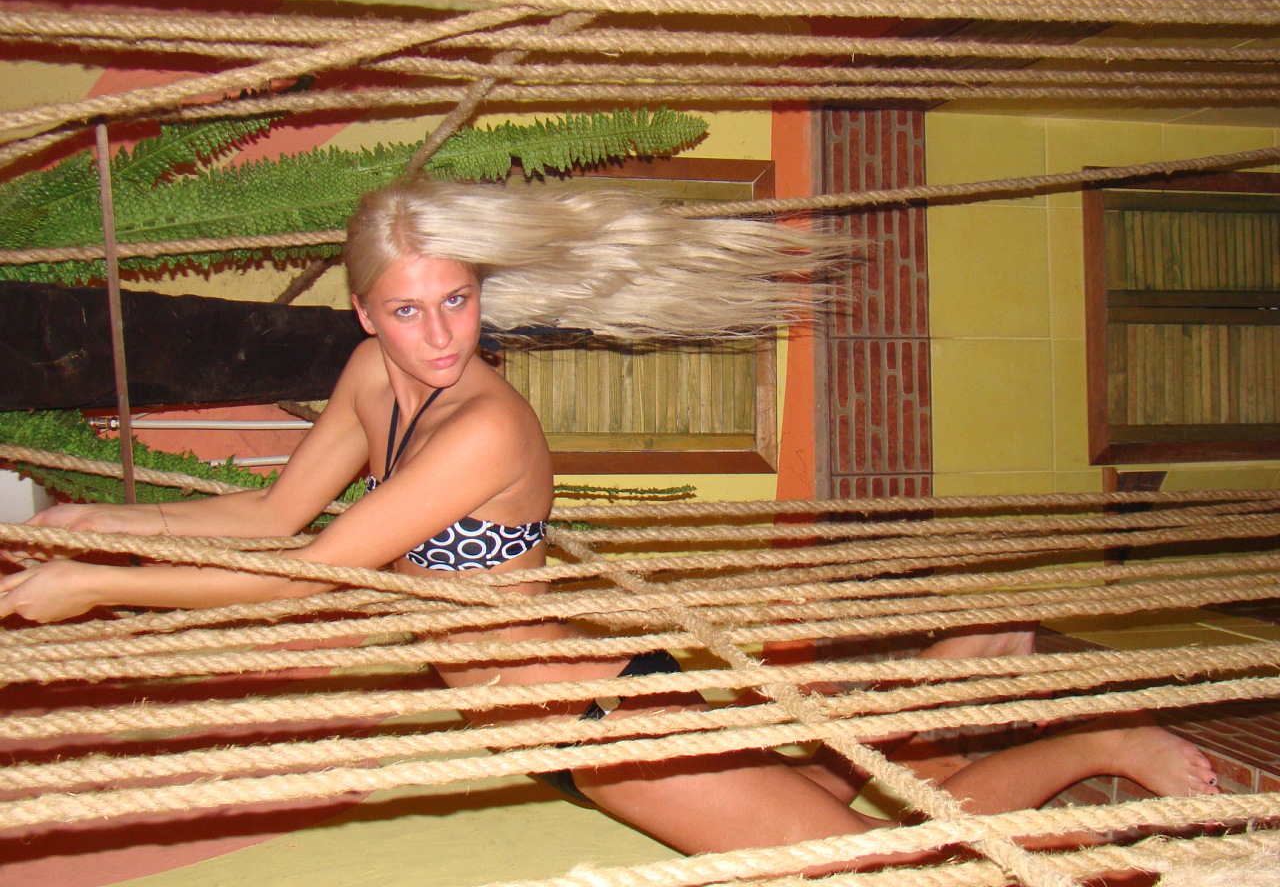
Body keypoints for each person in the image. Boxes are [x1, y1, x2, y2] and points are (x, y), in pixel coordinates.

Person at [0, 178, 1218, 874]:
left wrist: (99, 588)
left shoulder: (483, 427)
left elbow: (312, 574)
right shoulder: (372, 382)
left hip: (605, 722)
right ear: (364, 316)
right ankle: (968, 665)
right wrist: (95, 521)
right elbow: (272, 513)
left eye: (457, 301)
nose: (441, 334)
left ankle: (1101, 742)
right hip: (571, 716)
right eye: (410, 311)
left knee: (876, 871)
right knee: (829, 808)